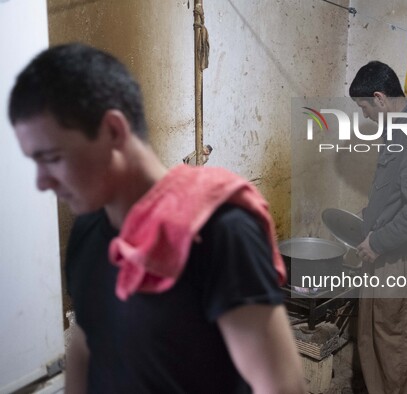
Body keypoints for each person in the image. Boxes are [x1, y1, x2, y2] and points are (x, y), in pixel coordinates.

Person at [9, 43, 305, 394]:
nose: (42, 182)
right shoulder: (88, 229)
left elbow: (280, 387)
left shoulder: (219, 233)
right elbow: (87, 345)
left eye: (53, 157)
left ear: (114, 132)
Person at [349, 61, 407, 393]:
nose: (365, 116)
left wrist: (378, 241)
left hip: (397, 258)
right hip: (384, 251)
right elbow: (396, 194)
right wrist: (369, 222)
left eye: (364, 108)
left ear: (380, 98)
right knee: (373, 337)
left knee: (395, 342)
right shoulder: (400, 127)